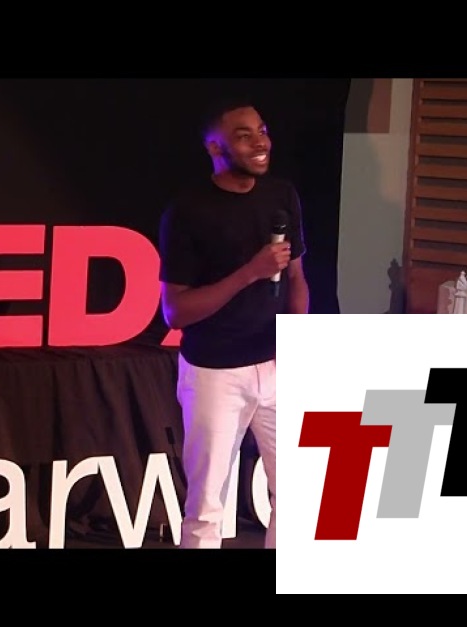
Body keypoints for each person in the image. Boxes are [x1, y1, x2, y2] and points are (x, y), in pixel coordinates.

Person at [158, 98, 310, 549]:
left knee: (299, 494)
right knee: (207, 508)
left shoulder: (282, 195)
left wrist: (296, 342)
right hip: (215, 373)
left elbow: (297, 277)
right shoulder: (188, 211)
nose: (261, 142)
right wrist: (250, 272)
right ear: (215, 147)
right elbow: (175, 312)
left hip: (276, 365)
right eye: (244, 136)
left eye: (262, 130)